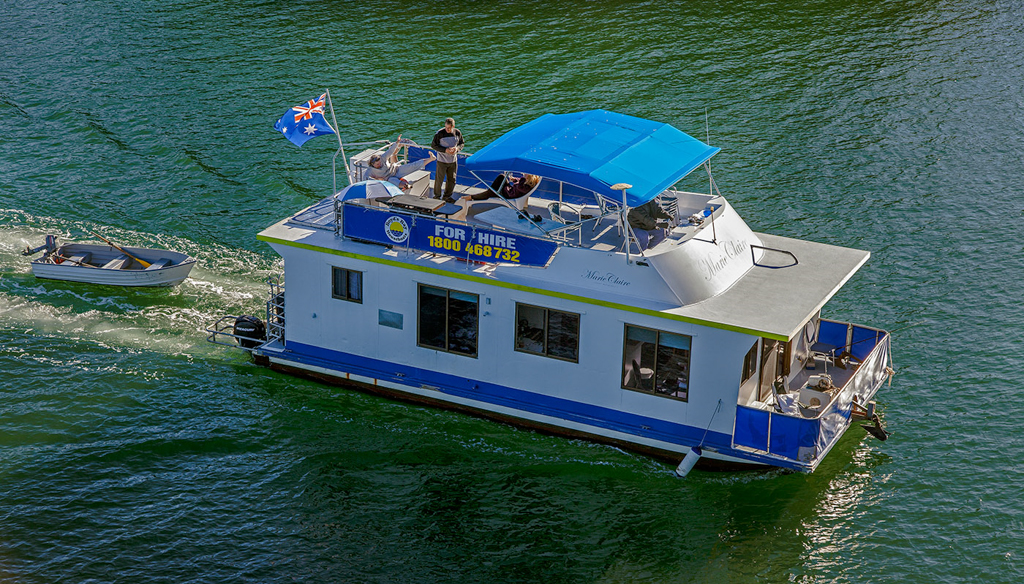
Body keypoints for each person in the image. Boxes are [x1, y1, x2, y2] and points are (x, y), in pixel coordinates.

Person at [366, 134, 436, 184]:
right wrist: (377, 179)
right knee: (395, 182)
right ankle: (406, 186)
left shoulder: (383, 158)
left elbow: (390, 151)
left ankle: (430, 159)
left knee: (412, 166)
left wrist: (397, 142)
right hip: (388, 178)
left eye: (380, 163)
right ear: (372, 164)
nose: (380, 164)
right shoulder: (370, 170)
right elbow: (366, 178)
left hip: (396, 170)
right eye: (377, 164)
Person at [431, 117, 464, 203]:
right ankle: (437, 197)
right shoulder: (439, 133)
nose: (447, 129)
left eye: (449, 128)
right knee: (439, 180)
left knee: (452, 179)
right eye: (446, 127)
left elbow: (461, 143)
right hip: (442, 161)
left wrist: (456, 149)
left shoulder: (457, 133)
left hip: (453, 161)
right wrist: (445, 150)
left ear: (453, 126)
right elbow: (433, 145)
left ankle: (447, 196)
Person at [472, 173, 540, 201]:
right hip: (510, 191)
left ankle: (472, 197)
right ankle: (490, 192)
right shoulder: (530, 183)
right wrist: (515, 180)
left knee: (491, 192)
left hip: (507, 195)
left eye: (525, 174)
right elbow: (520, 186)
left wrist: (523, 178)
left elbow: (520, 187)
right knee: (502, 177)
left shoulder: (526, 186)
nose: (524, 174)